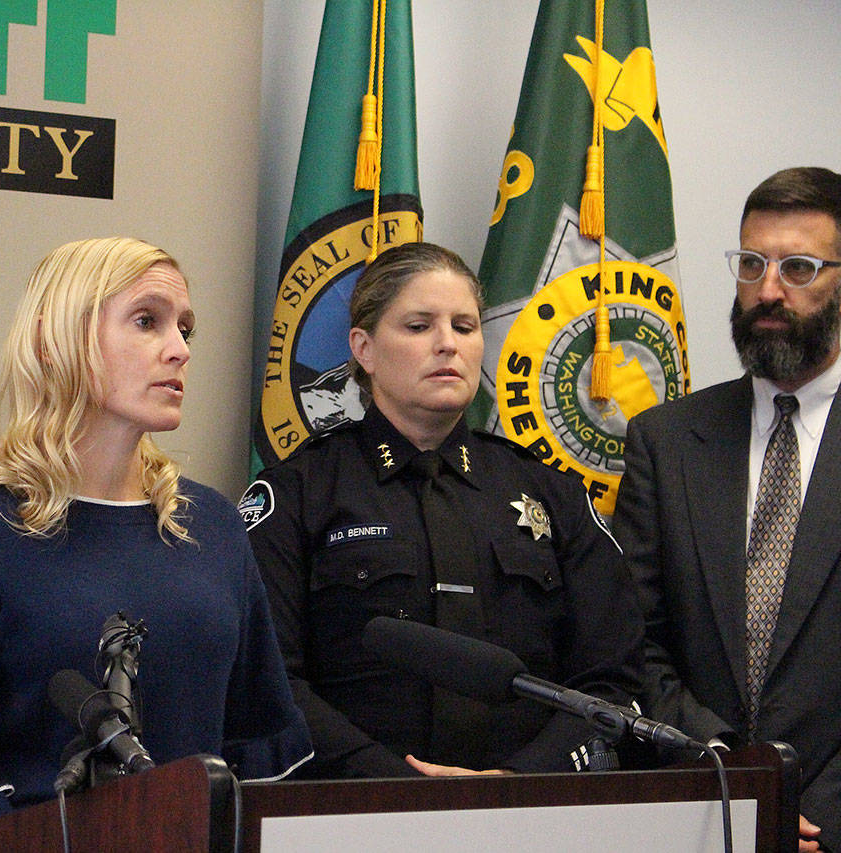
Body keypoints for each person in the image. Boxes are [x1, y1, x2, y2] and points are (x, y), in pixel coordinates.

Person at [0, 237, 312, 850]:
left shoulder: (216, 529)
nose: (179, 349)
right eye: (146, 321)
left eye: (185, 329)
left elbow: (258, 755)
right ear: (55, 339)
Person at [242, 241, 645, 779]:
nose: (447, 344)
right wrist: (394, 785)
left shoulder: (553, 494)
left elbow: (612, 682)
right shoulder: (298, 493)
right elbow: (268, 680)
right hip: (356, 806)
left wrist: (518, 782)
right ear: (363, 348)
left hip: (531, 807)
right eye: (418, 326)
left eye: (464, 326)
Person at [615, 167, 841, 852]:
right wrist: (722, 768)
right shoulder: (665, 440)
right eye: (751, 264)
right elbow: (631, 636)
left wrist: (818, 815)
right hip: (696, 808)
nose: (767, 290)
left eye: (798, 268)